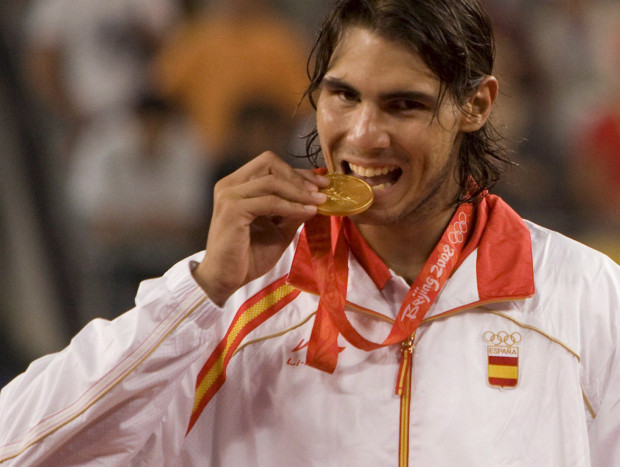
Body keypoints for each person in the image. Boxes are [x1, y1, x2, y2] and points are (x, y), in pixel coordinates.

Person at [1, 1, 619, 466]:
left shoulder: (587, 298)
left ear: (476, 106)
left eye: (403, 104)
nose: (363, 135)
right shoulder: (231, 302)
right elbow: (18, 447)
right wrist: (201, 289)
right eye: (342, 96)